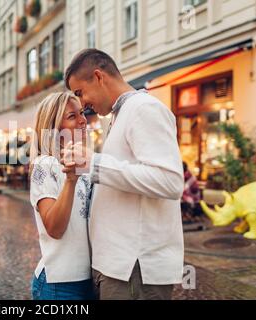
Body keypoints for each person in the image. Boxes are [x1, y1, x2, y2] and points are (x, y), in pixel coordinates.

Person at [62, 49, 184, 300]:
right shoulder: (122, 114)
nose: (82, 104)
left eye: (79, 93)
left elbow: (170, 182)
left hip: (135, 268)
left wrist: (94, 164)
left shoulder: (144, 109)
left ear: (98, 76)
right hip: (121, 267)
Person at [29, 92, 94, 300]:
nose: (83, 120)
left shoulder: (86, 166)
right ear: (54, 127)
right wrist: (71, 181)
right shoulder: (45, 164)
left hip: (88, 279)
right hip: (60, 285)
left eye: (82, 113)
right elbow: (54, 228)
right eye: (72, 116)